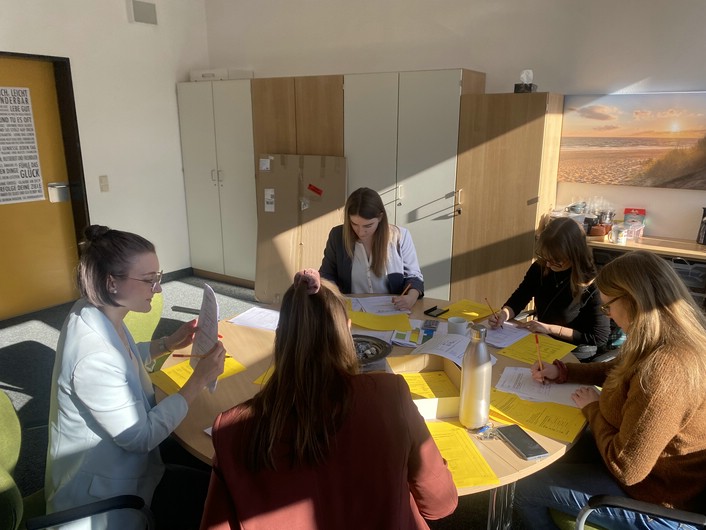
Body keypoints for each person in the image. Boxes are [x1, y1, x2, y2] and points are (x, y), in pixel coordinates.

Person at [199, 269, 457, 530]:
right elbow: (440, 504)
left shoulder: (232, 431)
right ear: (347, 330)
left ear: (280, 337)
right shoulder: (390, 397)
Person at [45, 225, 226, 530]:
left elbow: (123, 358)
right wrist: (197, 381)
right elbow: (141, 437)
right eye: (149, 280)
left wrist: (166, 344)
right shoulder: (92, 356)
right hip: (106, 498)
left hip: (132, 467)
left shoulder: (96, 311)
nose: (158, 289)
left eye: (158, 277)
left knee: (212, 477)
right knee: (219, 497)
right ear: (111, 282)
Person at [513, 250, 706, 529]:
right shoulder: (662, 339)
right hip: (644, 471)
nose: (610, 316)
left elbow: (627, 468)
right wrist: (564, 372)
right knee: (545, 450)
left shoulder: (666, 371)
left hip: (656, 499)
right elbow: (617, 368)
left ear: (633, 301)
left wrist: (593, 408)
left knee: (524, 487)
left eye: (608, 307)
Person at [488, 216, 610, 348]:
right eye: (545, 257)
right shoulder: (540, 267)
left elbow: (599, 337)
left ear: (574, 255)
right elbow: (520, 297)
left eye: (556, 261)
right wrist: (504, 315)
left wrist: (549, 329)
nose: (548, 264)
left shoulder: (592, 284)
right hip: (542, 340)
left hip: (573, 350)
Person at [320, 187, 424, 311]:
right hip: (351, 311)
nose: (361, 232)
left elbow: (414, 277)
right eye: (354, 224)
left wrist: (411, 298)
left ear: (380, 217)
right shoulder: (337, 236)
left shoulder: (400, 236)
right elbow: (326, 275)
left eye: (368, 226)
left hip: (391, 310)